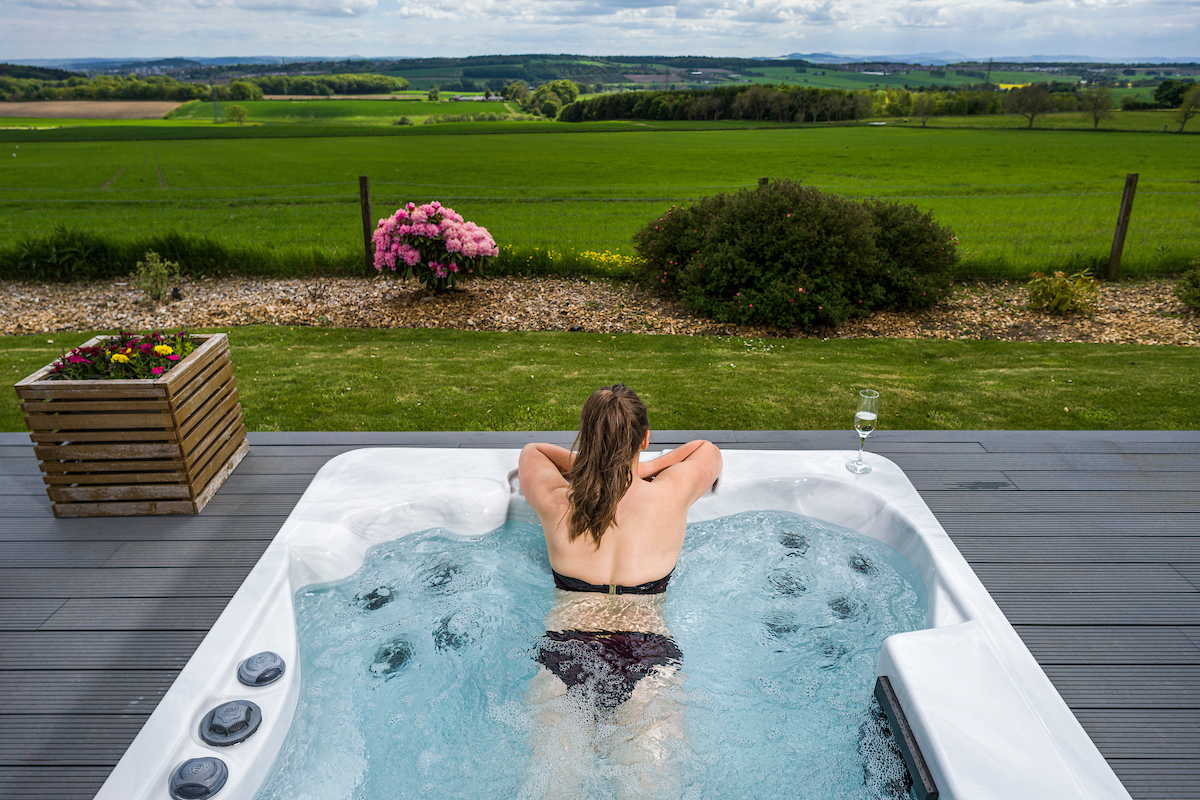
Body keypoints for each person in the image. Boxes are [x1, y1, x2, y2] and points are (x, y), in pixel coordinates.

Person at [517, 383, 721, 798]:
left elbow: (532, 451)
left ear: (586, 439)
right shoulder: (670, 494)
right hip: (648, 654)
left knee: (553, 787)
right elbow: (707, 450)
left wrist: (600, 463)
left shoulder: (557, 499)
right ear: (644, 439)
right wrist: (644, 467)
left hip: (566, 650)